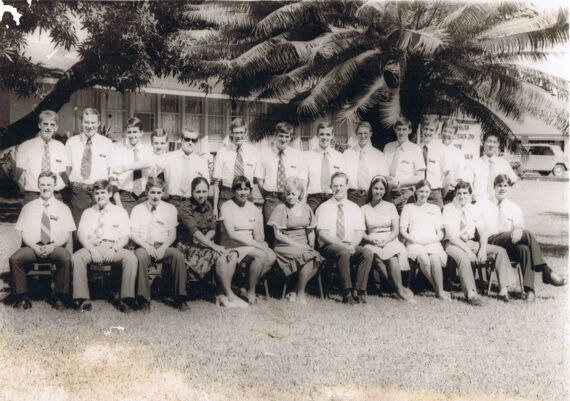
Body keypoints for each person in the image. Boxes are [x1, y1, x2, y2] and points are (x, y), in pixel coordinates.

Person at [483, 174, 567, 302]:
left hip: (509, 243)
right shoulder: (485, 204)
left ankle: (530, 291)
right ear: (494, 187)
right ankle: (546, 271)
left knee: (524, 249)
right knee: (526, 234)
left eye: (505, 186)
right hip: (492, 240)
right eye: (499, 186)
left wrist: (518, 229)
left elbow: (518, 224)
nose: (502, 189)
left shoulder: (514, 207)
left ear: (509, 188)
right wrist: (518, 231)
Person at [177, 177, 247, 308]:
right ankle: (230, 296)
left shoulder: (208, 205)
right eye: (198, 192)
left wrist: (207, 243)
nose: (201, 195)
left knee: (231, 254)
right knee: (219, 256)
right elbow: (195, 233)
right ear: (192, 192)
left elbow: (212, 229)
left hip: (204, 243)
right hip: (187, 245)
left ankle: (221, 294)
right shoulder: (184, 207)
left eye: (204, 191)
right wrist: (213, 246)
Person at [9, 172, 75, 310]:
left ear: (54, 186)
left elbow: (67, 234)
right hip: (34, 247)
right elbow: (23, 232)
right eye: (43, 184)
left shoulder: (63, 208)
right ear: (38, 185)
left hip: (55, 247)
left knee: (66, 258)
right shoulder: (28, 207)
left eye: (49, 185)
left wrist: (54, 246)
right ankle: (22, 298)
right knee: (15, 259)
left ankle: (59, 297)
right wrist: (33, 246)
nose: (45, 188)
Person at [443, 180, 514, 305]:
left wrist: (482, 249)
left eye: (465, 193)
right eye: (459, 193)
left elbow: (483, 232)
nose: (462, 196)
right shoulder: (449, 208)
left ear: (470, 195)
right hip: (453, 244)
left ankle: (503, 290)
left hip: (470, 243)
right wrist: (467, 251)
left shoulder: (474, 209)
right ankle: (471, 294)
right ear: (455, 194)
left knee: (500, 251)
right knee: (464, 258)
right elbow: (450, 235)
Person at [72, 179, 138, 312]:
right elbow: (82, 235)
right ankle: (83, 300)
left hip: (112, 247)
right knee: (77, 257)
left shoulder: (120, 212)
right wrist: (92, 250)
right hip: (93, 247)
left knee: (131, 258)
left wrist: (113, 250)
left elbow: (125, 237)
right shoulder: (88, 212)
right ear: (93, 195)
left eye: (103, 192)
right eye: (97, 193)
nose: (100, 196)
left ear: (109, 194)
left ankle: (126, 299)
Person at [130, 177, 190, 312]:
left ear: (163, 193)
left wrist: (163, 248)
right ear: (147, 192)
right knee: (140, 257)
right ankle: (144, 300)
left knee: (178, 255)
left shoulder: (170, 209)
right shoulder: (137, 209)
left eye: (158, 193)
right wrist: (146, 246)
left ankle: (180, 298)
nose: (155, 196)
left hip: (163, 246)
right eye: (152, 192)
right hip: (144, 246)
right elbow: (133, 234)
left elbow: (172, 235)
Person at [316, 172, 373, 304]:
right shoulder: (324, 207)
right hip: (329, 246)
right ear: (331, 187)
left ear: (347, 186)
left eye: (341, 185)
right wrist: (344, 246)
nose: (338, 188)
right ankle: (346, 292)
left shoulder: (354, 208)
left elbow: (359, 231)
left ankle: (358, 291)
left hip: (349, 244)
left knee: (367, 253)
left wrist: (352, 245)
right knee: (343, 251)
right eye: (335, 185)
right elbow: (322, 233)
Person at [219, 176, 276, 304]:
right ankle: (251, 291)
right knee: (260, 254)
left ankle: (244, 287)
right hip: (232, 244)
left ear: (250, 190)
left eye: (246, 189)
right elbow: (231, 234)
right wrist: (256, 245)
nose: (243, 192)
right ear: (233, 191)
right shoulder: (227, 206)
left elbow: (258, 234)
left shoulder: (254, 209)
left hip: (250, 245)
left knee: (271, 256)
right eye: (239, 189)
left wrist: (261, 242)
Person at [268, 177, 322, 304]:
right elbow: (278, 235)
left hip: (303, 246)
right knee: (309, 257)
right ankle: (301, 294)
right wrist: (300, 246)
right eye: (288, 193)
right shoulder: (281, 208)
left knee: (317, 259)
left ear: (300, 193)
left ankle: (294, 291)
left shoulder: (306, 208)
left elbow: (310, 230)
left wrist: (311, 246)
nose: (290, 197)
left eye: (293, 193)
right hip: (285, 245)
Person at [361, 176, 414, 302]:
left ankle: (399, 290)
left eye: (381, 189)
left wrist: (387, 240)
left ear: (385, 191)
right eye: (375, 188)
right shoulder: (364, 208)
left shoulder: (390, 206)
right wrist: (369, 239)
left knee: (392, 255)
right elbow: (361, 231)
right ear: (371, 189)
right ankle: (398, 289)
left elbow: (395, 230)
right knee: (376, 257)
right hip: (372, 239)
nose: (378, 192)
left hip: (389, 237)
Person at [400, 179, 450, 300]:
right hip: (414, 242)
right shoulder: (408, 208)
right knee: (423, 258)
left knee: (434, 259)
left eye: (426, 192)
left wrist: (433, 240)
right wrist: (414, 241)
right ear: (415, 191)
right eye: (421, 191)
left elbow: (441, 233)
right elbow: (402, 230)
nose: (424, 194)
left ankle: (440, 290)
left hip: (432, 241)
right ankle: (438, 290)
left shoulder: (435, 208)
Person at [65, 108, 115, 224]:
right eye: (86, 122)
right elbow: (67, 169)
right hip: (79, 192)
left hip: (100, 192)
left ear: (98, 123)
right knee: (79, 231)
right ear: (81, 123)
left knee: (100, 228)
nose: (90, 126)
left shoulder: (107, 143)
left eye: (93, 122)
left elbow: (110, 170)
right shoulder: (71, 142)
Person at [255, 122, 306, 224]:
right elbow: (259, 179)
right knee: (271, 227)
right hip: (271, 198)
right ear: (275, 136)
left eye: (286, 136)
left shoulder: (297, 155)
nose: (283, 139)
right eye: (281, 136)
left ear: (290, 137)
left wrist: (299, 198)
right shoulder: (265, 153)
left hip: (291, 197)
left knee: (289, 225)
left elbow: (302, 180)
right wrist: (267, 195)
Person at [15, 110, 70, 205]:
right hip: (33, 195)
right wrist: (27, 192)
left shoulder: (61, 147)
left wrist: (62, 187)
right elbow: (19, 175)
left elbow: (64, 173)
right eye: (45, 124)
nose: (49, 128)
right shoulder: (26, 146)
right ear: (39, 125)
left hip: (55, 196)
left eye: (52, 125)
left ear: (56, 127)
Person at [154, 127, 209, 213]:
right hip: (172, 202)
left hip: (192, 205)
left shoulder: (202, 163)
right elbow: (152, 169)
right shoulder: (168, 157)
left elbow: (206, 188)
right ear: (181, 139)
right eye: (187, 139)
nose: (190, 142)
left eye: (193, 140)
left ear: (197, 142)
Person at [213, 118, 260, 216]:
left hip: (246, 195)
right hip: (227, 194)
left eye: (241, 132)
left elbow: (258, 180)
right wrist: (214, 209)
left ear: (246, 132)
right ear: (231, 133)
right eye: (236, 132)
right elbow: (216, 183)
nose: (239, 136)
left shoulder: (254, 152)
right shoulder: (222, 153)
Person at [110, 117, 154, 214]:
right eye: (129, 132)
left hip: (144, 196)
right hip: (125, 197)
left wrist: (124, 168)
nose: (132, 135)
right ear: (126, 133)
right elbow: (113, 179)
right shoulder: (118, 152)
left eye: (135, 132)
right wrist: (118, 204)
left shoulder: (147, 149)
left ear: (141, 133)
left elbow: (147, 163)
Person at [383, 115, 426, 213]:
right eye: (399, 129)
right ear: (395, 130)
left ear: (409, 131)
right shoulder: (388, 147)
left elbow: (420, 177)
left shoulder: (416, 149)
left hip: (406, 193)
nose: (401, 132)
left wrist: (398, 183)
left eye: (404, 129)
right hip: (388, 193)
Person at [343, 121, 389, 206]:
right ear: (356, 134)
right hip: (351, 195)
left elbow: (383, 178)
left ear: (370, 134)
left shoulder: (378, 155)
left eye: (365, 133)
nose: (362, 136)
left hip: (370, 196)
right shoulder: (347, 154)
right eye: (360, 133)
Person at [306, 121, 346, 212]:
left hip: (333, 197)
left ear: (332, 135)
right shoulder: (308, 156)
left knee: (330, 224)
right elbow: (303, 181)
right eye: (322, 134)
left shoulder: (339, 157)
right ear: (317, 135)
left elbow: (343, 181)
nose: (325, 137)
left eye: (328, 134)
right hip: (313, 198)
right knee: (312, 225)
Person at [471, 132, 518, 203]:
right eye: (489, 141)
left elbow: (513, 180)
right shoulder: (474, 164)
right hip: (479, 203)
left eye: (494, 142)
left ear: (498, 145)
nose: (491, 145)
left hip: (498, 202)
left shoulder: (503, 163)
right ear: (483, 143)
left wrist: (503, 193)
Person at [419, 116, 449, 209]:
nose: (428, 132)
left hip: (434, 194)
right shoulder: (417, 148)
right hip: (419, 193)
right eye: (426, 129)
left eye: (431, 130)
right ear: (421, 130)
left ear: (436, 132)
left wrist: (441, 194)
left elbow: (447, 175)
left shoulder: (441, 149)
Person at [440, 118, 467, 204]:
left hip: (450, 193)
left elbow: (460, 176)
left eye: (450, 132)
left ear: (455, 135)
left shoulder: (458, 153)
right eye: (445, 131)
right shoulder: (434, 149)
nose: (447, 134)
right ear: (441, 132)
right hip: (434, 191)